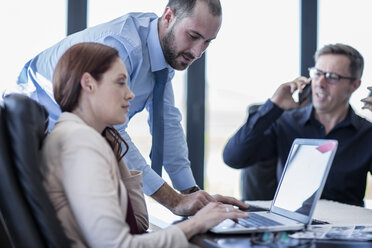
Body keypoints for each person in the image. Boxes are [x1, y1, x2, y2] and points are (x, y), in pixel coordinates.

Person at [3, 0, 248, 214]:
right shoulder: (122, 46)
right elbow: (113, 133)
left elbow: (168, 123)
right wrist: (175, 202)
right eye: (193, 36)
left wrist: (194, 195)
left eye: (208, 42)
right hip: (33, 136)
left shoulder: (162, 54)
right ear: (169, 17)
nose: (197, 52)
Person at [41, 42, 250, 247]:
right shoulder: (81, 145)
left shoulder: (85, 136)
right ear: (88, 84)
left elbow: (138, 223)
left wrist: (112, 141)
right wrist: (196, 224)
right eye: (121, 82)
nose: (130, 94)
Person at [223, 43, 372, 207]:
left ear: (354, 85)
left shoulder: (367, 133)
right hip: (292, 226)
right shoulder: (285, 122)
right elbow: (233, 158)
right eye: (317, 73)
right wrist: (274, 105)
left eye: (332, 77)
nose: (320, 83)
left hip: (347, 227)